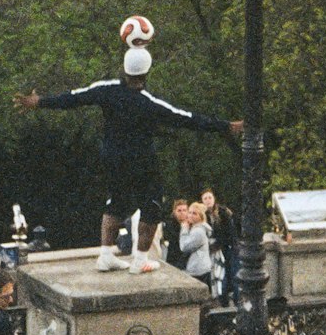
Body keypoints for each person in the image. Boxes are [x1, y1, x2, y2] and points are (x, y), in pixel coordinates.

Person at [14, 48, 242, 274]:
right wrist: (225, 126)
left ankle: (105, 256)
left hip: (112, 158)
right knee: (151, 208)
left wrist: (39, 102)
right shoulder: (148, 102)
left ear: (124, 69)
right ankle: (140, 260)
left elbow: (73, 98)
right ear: (146, 72)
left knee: (117, 203)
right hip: (142, 161)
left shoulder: (106, 90)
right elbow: (187, 118)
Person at [201, 187, 238, 303]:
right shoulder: (202, 214)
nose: (208, 200)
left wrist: (220, 244)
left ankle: (234, 298)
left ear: (214, 199)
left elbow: (229, 232)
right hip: (213, 249)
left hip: (226, 246)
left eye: (210, 197)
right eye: (205, 198)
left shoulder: (223, 211)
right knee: (219, 274)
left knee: (230, 272)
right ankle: (223, 298)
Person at [180, 201, 214, 294]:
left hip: (198, 270)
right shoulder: (198, 228)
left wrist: (184, 230)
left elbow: (184, 247)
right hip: (202, 268)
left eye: (194, 213)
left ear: (201, 216)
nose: (190, 215)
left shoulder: (198, 231)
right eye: (189, 212)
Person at [164, 201, 190, 269]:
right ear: (174, 212)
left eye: (184, 210)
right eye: (179, 210)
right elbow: (174, 239)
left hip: (188, 260)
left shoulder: (191, 224)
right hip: (173, 258)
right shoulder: (170, 224)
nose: (182, 212)